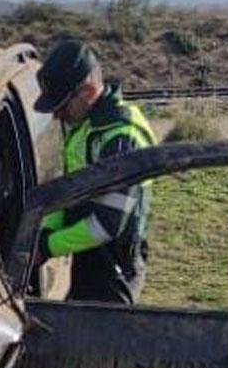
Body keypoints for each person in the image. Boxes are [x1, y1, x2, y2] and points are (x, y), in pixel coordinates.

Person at [33, 38, 156, 303]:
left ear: (87, 90)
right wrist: (47, 228)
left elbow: (107, 224)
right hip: (88, 256)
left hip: (113, 270)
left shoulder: (122, 139)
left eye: (62, 105)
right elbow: (68, 187)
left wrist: (47, 246)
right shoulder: (89, 126)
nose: (57, 116)